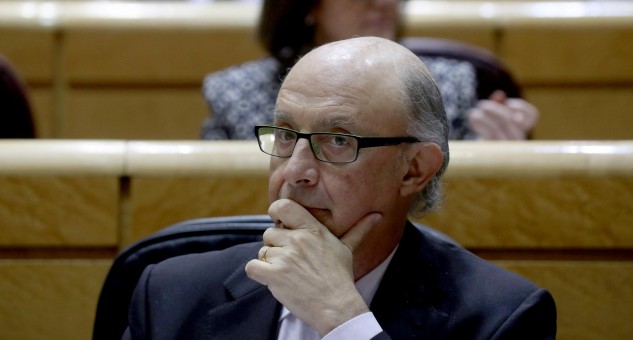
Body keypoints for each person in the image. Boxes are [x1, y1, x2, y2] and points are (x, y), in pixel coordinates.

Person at [124, 36, 556, 339]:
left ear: (414, 170)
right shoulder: (170, 295)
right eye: (287, 134)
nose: (295, 172)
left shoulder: (500, 319)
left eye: (338, 141)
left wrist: (344, 322)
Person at [201, 0, 538, 141]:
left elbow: (471, 209)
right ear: (309, 6)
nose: (382, 2)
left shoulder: (451, 87)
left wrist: (505, 153)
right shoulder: (235, 95)